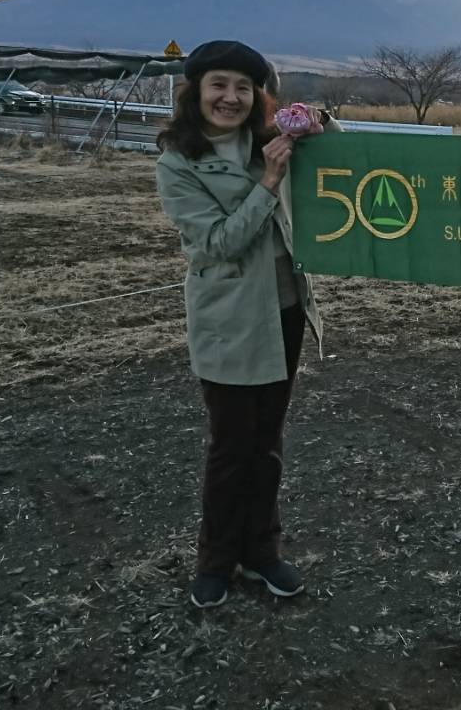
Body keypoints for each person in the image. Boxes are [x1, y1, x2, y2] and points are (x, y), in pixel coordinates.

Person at [154, 39, 334, 609]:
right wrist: (267, 184)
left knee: (269, 442)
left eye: (243, 87)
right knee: (232, 445)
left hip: (284, 311)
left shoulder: (269, 141)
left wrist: (322, 129)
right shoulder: (178, 162)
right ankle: (215, 559)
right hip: (229, 317)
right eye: (218, 85)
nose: (230, 98)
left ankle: (262, 551)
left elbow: (341, 171)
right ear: (195, 92)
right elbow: (215, 245)